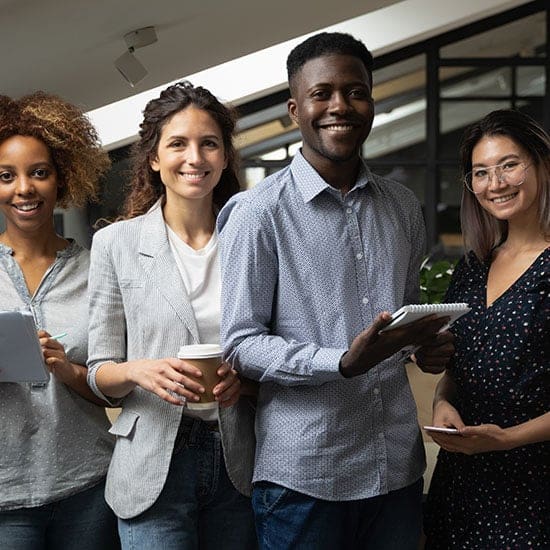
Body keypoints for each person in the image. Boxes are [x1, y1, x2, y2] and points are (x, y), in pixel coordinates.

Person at [218, 32, 454, 549]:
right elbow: (240, 343)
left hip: (396, 468)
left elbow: (403, 319)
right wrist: (342, 362)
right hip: (304, 478)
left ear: (373, 100)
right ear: (293, 109)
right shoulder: (258, 213)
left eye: (356, 91)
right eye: (321, 93)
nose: (339, 106)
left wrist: (424, 345)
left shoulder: (402, 206)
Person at [86, 81, 257, 549]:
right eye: (177, 143)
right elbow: (98, 373)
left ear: (224, 157)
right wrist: (138, 371)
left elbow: (274, 347)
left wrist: (248, 381)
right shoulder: (115, 245)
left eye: (209, 144)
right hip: (151, 467)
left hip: (238, 459)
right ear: (154, 159)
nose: (194, 158)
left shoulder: (251, 239)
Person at [424, 109, 550, 548]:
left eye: (509, 165)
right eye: (481, 172)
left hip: (534, 493)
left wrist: (506, 440)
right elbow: (459, 370)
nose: (495, 184)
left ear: (541, 164)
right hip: (460, 486)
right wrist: (442, 403)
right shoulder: (473, 266)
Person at [0, 92, 119, 548]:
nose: (24, 188)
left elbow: (125, 387)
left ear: (61, 178)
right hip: (6, 496)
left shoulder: (99, 271)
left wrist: (69, 371)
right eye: (6, 176)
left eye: (39, 173)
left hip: (88, 486)